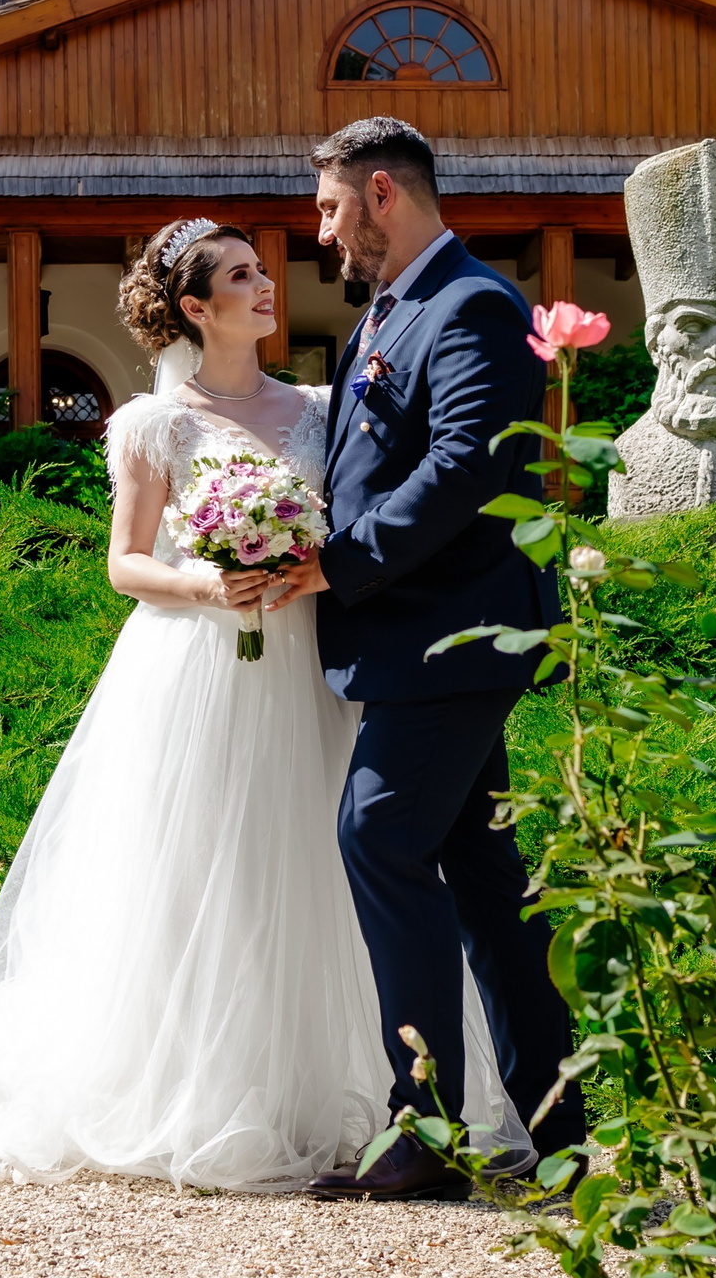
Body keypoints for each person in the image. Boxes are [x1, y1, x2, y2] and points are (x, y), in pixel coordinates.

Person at [0, 213, 529, 1190]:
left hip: (313, 659)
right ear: (196, 307)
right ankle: (209, 1086)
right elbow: (124, 561)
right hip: (199, 665)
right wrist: (208, 582)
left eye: (262, 267)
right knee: (209, 866)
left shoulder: (320, 410)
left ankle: (340, 1091)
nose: (267, 283)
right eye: (241, 274)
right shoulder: (155, 422)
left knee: (314, 861)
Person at [263, 115, 586, 1201]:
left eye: (326, 207)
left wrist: (334, 562)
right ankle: (562, 1127)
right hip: (414, 638)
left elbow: (460, 469)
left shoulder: (475, 307)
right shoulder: (391, 313)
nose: (320, 233)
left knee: (376, 835)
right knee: (487, 882)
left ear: (383, 192)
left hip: (456, 636)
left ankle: (428, 1129)